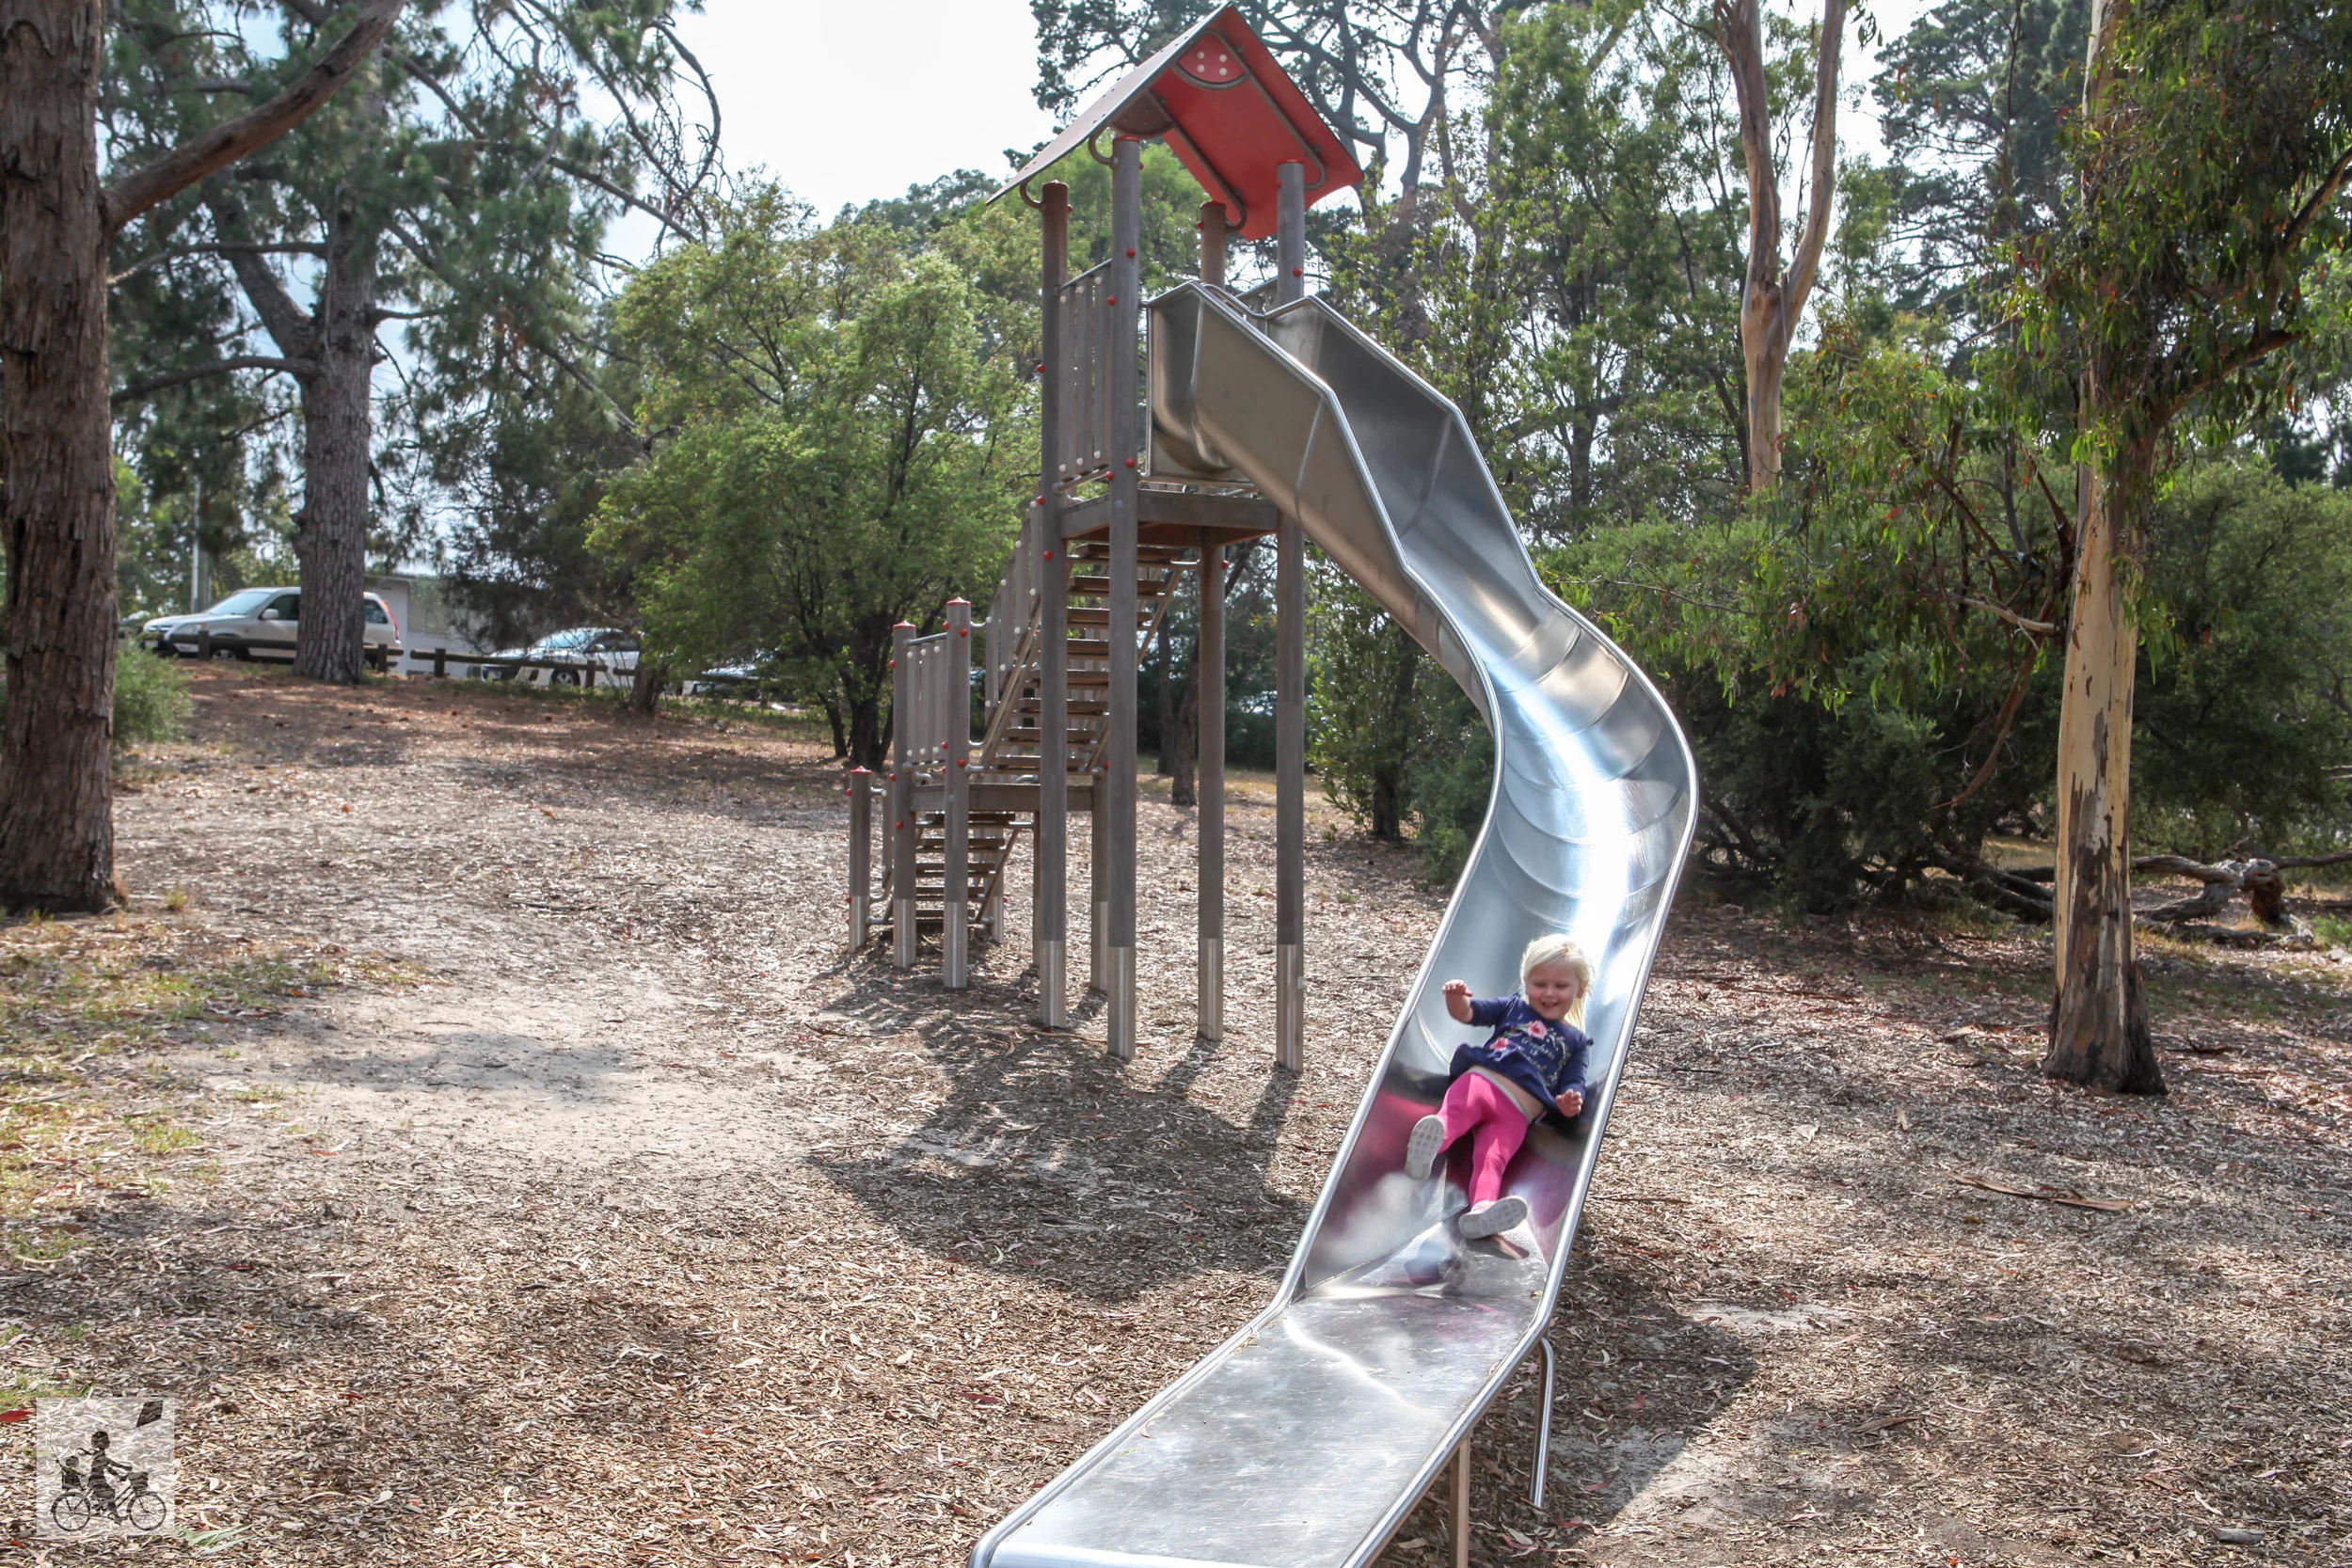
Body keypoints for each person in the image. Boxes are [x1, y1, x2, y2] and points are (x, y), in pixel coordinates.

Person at [1405, 933, 1595, 1239]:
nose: (1549, 993)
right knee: (1455, 1113)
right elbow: (1469, 1013)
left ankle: (1480, 1212)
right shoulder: (1512, 1008)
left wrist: (1571, 1099)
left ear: (1580, 989)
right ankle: (1429, 1146)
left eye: (1560, 986)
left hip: (1517, 1113)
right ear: (1525, 981)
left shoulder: (1576, 1041)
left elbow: (1574, 1080)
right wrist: (1457, 999)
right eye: (1539, 984)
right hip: (1482, 1081)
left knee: (1493, 1159)